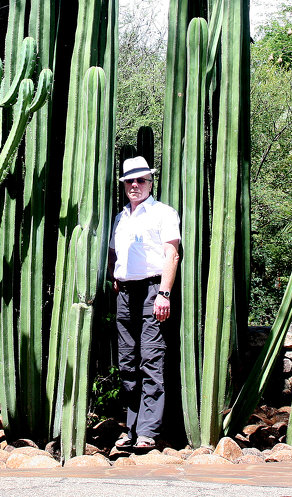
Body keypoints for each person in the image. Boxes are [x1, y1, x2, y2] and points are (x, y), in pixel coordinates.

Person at [108, 155, 181, 451]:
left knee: (151, 358)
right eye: (130, 181)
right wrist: (115, 275)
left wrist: (164, 293)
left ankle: (149, 431)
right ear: (124, 185)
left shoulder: (163, 213)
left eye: (141, 180)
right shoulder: (120, 217)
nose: (135, 185)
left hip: (153, 290)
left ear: (151, 183)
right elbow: (113, 252)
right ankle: (131, 428)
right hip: (125, 293)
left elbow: (172, 254)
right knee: (127, 361)